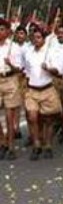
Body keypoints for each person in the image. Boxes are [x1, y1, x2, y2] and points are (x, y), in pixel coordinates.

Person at [21, 27, 62, 160]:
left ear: (44, 39)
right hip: (32, 90)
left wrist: (49, 68)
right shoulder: (28, 53)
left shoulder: (51, 52)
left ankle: (48, 145)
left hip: (47, 89)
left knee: (48, 120)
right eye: (34, 37)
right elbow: (26, 70)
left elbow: (57, 71)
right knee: (32, 117)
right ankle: (36, 144)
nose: (36, 40)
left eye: (39, 37)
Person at [0, 19, 23, 160]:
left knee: (10, 115)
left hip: (11, 79)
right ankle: (2, 140)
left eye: (2, 29)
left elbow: (19, 69)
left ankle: (11, 145)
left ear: (8, 31)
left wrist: (10, 63)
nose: (0, 32)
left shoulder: (14, 47)